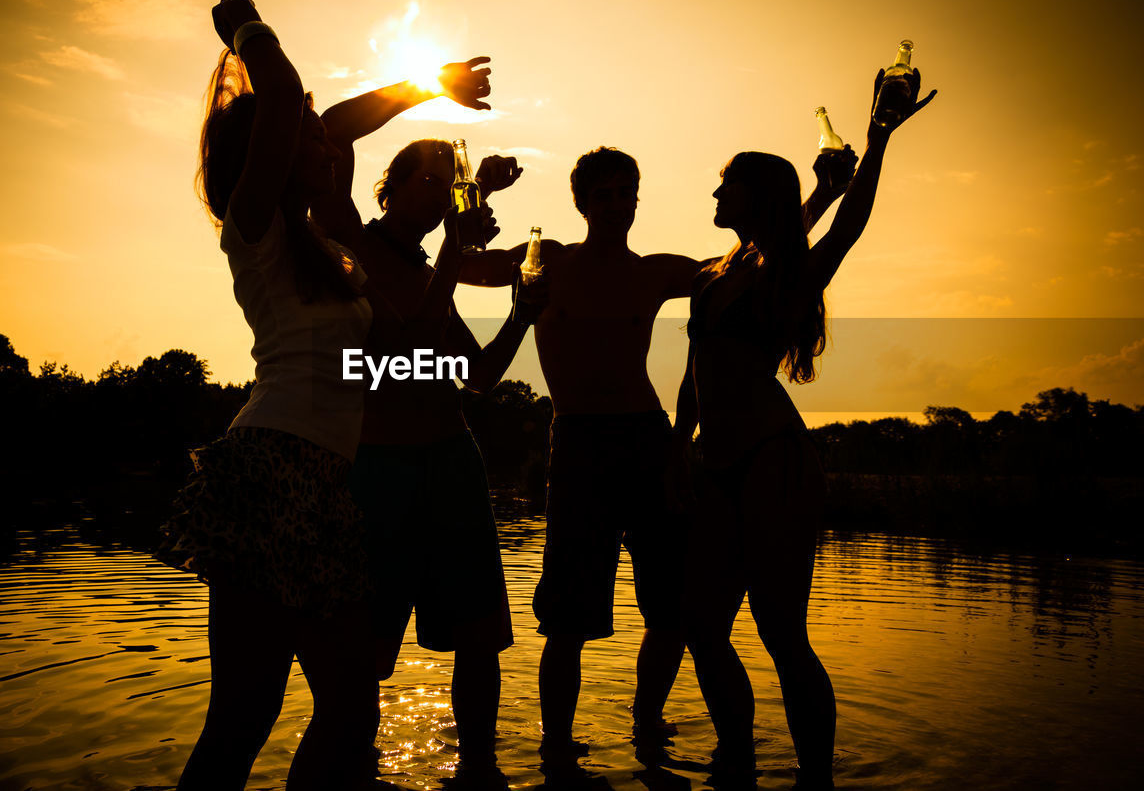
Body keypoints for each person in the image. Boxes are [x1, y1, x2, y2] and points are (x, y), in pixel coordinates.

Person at [457, 143, 856, 756]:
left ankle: (647, 724)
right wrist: (479, 196)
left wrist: (823, 197)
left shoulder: (656, 272)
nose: (619, 205)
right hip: (580, 444)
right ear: (582, 204)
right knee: (567, 618)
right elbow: (465, 267)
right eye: (605, 195)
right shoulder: (550, 262)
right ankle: (557, 746)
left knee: (671, 612)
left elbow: (753, 262)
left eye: (627, 194)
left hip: (648, 440)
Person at [671, 68, 935, 786]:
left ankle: (815, 778)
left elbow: (844, 229)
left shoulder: (783, 273)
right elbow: (693, 372)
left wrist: (876, 141)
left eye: (726, 185)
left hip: (771, 461)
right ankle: (739, 761)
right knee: (701, 624)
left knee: (781, 632)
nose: (716, 195)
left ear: (753, 196)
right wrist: (677, 449)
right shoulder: (714, 272)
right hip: (714, 466)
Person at [151, 0, 388, 790]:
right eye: (312, 140)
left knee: (352, 708)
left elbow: (338, 122)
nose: (326, 143)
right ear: (276, 152)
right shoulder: (254, 232)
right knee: (246, 714)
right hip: (269, 471)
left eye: (323, 139)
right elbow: (290, 100)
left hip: (325, 484)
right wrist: (245, 26)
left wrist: (426, 90)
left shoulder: (328, 249)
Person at [310, 66, 543, 772]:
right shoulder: (351, 241)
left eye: (450, 181)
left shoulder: (427, 262)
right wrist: (431, 88)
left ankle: (480, 771)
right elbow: (332, 131)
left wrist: (522, 314)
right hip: (377, 469)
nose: (442, 191)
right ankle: (353, 768)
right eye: (429, 179)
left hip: (454, 464)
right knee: (368, 649)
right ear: (390, 186)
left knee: (478, 636)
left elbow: (476, 374)